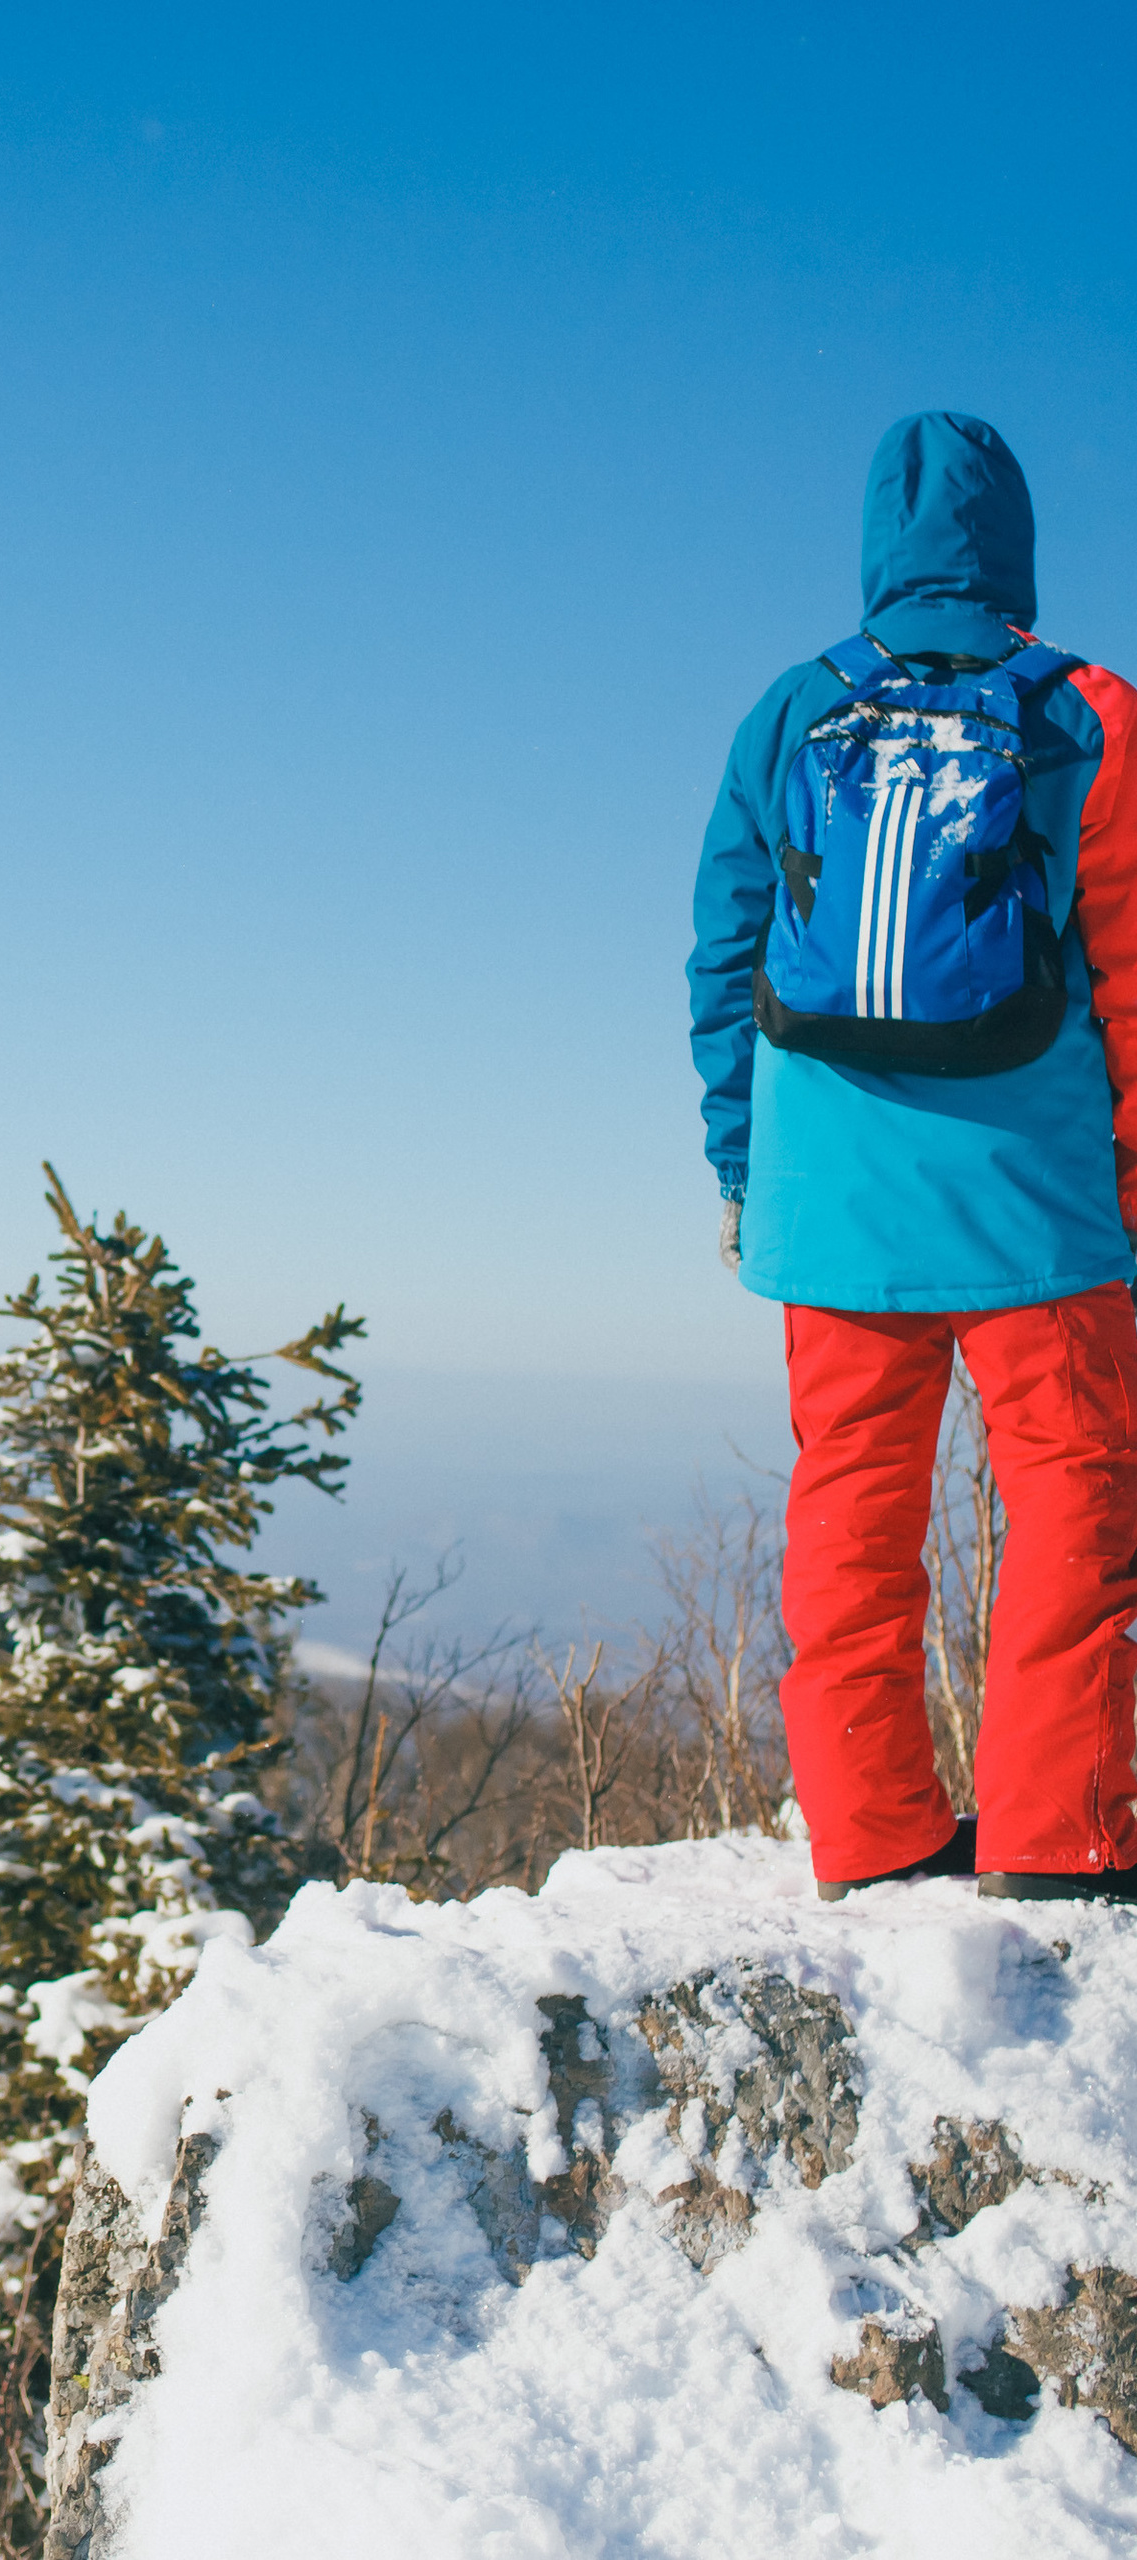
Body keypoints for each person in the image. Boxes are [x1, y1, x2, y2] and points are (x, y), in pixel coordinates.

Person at [690, 412, 1137, 1901]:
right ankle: (1060, 1832)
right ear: (1013, 549)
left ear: (878, 553)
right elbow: (1132, 982)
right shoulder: (1088, 713)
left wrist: (748, 1176)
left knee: (854, 1512)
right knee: (1076, 1505)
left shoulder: (790, 712)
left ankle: (874, 1831)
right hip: (1042, 1213)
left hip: (832, 1215)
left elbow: (723, 964)